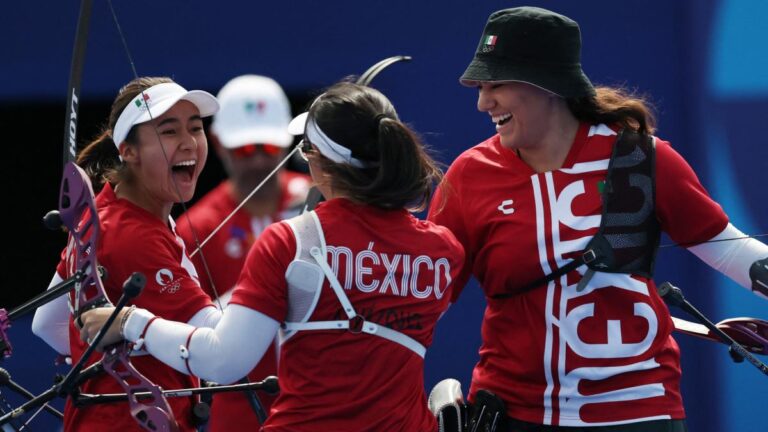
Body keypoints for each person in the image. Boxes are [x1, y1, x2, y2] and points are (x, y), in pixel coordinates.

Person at [428, 6, 768, 432]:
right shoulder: (469, 175)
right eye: (480, 87)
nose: (483, 102)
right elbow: (424, 296)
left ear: (547, 84)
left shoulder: (643, 157)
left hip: (640, 410)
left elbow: (730, 249)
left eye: (496, 84)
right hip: (517, 412)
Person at [79, 81, 466, 432]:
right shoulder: (445, 250)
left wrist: (133, 323)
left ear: (314, 160)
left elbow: (224, 360)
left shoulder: (289, 240)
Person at [32, 76, 221, 431]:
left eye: (195, 128)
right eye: (168, 132)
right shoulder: (131, 235)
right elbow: (217, 351)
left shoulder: (107, 209)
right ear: (128, 151)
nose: (189, 143)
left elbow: (46, 321)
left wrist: (121, 354)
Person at [175, 75, 310, 431]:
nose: (258, 162)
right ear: (218, 143)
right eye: (245, 150)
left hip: (319, 399)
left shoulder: (323, 202)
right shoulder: (197, 228)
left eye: (268, 148)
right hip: (239, 407)